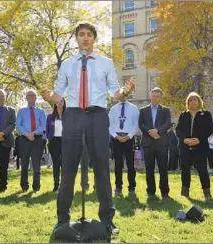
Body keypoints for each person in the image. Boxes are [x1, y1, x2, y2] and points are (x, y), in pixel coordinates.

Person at [41, 22, 135, 234]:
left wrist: (125, 91)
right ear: (77, 39)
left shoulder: (106, 63)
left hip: (98, 116)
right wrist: (49, 96)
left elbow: (114, 93)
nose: (85, 38)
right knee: (68, 170)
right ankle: (62, 219)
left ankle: (108, 221)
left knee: (102, 168)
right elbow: (58, 94)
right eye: (81, 34)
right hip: (73, 116)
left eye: (89, 35)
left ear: (94, 38)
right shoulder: (66, 64)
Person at [176, 92, 213, 200]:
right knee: (185, 170)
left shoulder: (206, 114)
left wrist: (199, 139)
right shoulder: (183, 115)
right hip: (185, 147)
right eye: (190, 100)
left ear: (199, 101)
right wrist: (184, 139)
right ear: (188, 102)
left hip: (200, 147)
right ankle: (184, 193)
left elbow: (209, 129)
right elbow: (178, 130)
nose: (193, 102)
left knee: (202, 170)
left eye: (195, 100)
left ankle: (207, 193)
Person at [139, 87, 171, 199]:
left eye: (158, 96)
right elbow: (141, 124)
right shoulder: (143, 110)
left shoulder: (166, 110)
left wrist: (157, 131)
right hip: (148, 143)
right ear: (150, 96)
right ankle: (151, 191)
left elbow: (167, 124)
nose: (155, 98)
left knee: (163, 168)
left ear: (161, 97)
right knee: (149, 168)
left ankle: (165, 192)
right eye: (153, 96)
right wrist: (149, 131)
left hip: (161, 142)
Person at [16, 89, 46, 192]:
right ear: (26, 98)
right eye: (29, 95)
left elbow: (43, 125)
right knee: (24, 164)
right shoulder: (21, 111)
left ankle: (36, 187)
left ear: (36, 98)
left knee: (36, 165)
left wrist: (33, 133)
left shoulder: (41, 111)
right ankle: (24, 186)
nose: (31, 97)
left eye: (33, 96)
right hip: (24, 139)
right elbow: (18, 125)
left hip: (37, 139)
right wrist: (27, 134)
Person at [109, 95, 139, 196]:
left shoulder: (133, 108)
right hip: (116, 138)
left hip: (129, 138)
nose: (122, 96)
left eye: (124, 94)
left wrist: (129, 136)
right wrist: (116, 136)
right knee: (118, 164)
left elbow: (136, 124)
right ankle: (118, 187)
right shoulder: (113, 109)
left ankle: (131, 188)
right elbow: (110, 125)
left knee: (130, 164)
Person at [46, 98, 66, 192]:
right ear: (55, 103)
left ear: (64, 103)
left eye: (61, 101)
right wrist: (49, 139)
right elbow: (47, 130)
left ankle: (64, 185)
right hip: (54, 141)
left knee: (65, 164)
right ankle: (56, 184)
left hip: (65, 141)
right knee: (56, 164)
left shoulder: (68, 116)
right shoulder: (50, 116)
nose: (59, 103)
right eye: (57, 101)